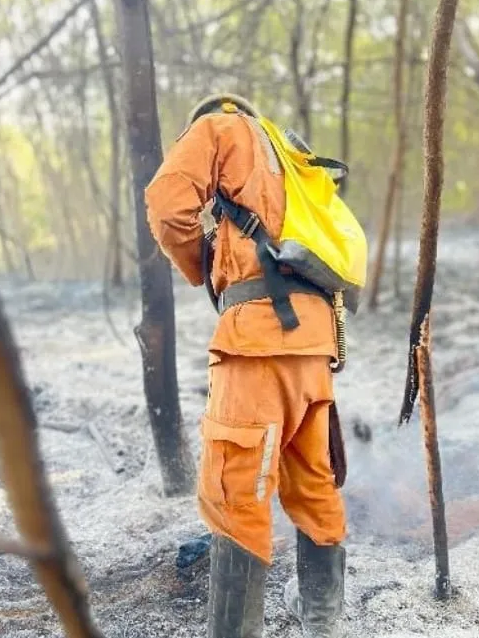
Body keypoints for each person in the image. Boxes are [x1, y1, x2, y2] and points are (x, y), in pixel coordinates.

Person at [144, 93, 346, 638]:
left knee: (235, 495)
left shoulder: (219, 127)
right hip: (314, 345)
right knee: (314, 485)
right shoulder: (287, 157)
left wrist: (202, 265)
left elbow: (167, 205)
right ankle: (322, 624)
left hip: (257, 341)